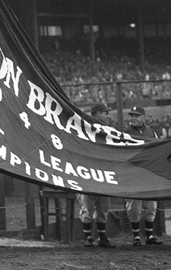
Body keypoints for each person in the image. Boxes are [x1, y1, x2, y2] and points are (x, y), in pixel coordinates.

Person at [76, 102, 115, 248]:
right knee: (87, 207)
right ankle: (88, 238)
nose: (107, 115)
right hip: (86, 173)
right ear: (98, 113)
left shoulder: (108, 130)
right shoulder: (83, 128)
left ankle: (102, 238)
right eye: (105, 112)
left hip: (103, 173)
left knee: (103, 206)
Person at [124, 106, 163, 246]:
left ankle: (149, 235)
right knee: (134, 207)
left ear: (143, 117)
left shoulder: (151, 131)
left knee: (150, 205)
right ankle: (136, 237)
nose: (133, 118)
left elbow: (158, 148)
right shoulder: (125, 132)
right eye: (131, 115)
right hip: (133, 174)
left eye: (136, 115)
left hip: (149, 173)